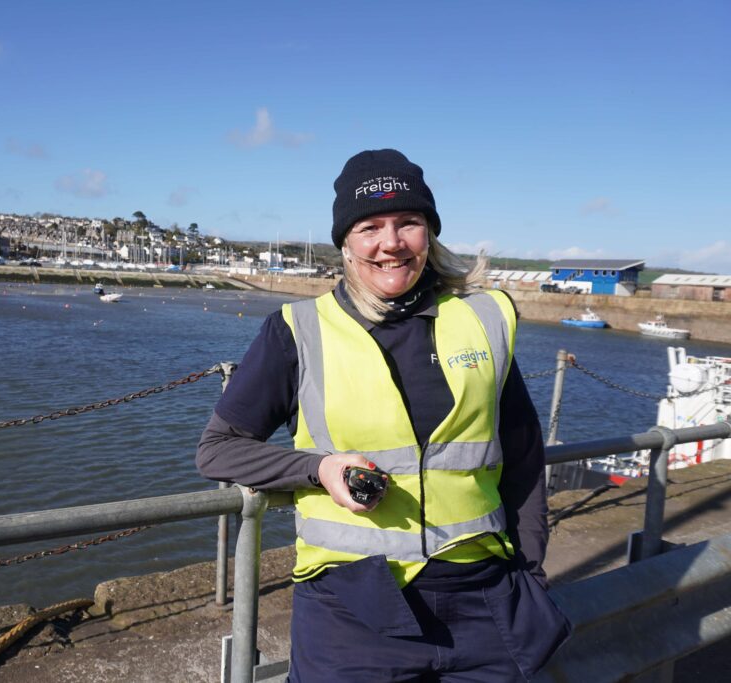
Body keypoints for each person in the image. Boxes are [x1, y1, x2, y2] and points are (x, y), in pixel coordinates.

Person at [197, 149, 570, 682]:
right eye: (369, 226)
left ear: (430, 234)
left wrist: (530, 572)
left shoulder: (484, 319)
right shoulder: (298, 329)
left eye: (408, 223)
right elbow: (218, 449)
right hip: (352, 608)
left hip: (485, 598)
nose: (390, 243)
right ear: (345, 243)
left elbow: (525, 457)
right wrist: (318, 469)